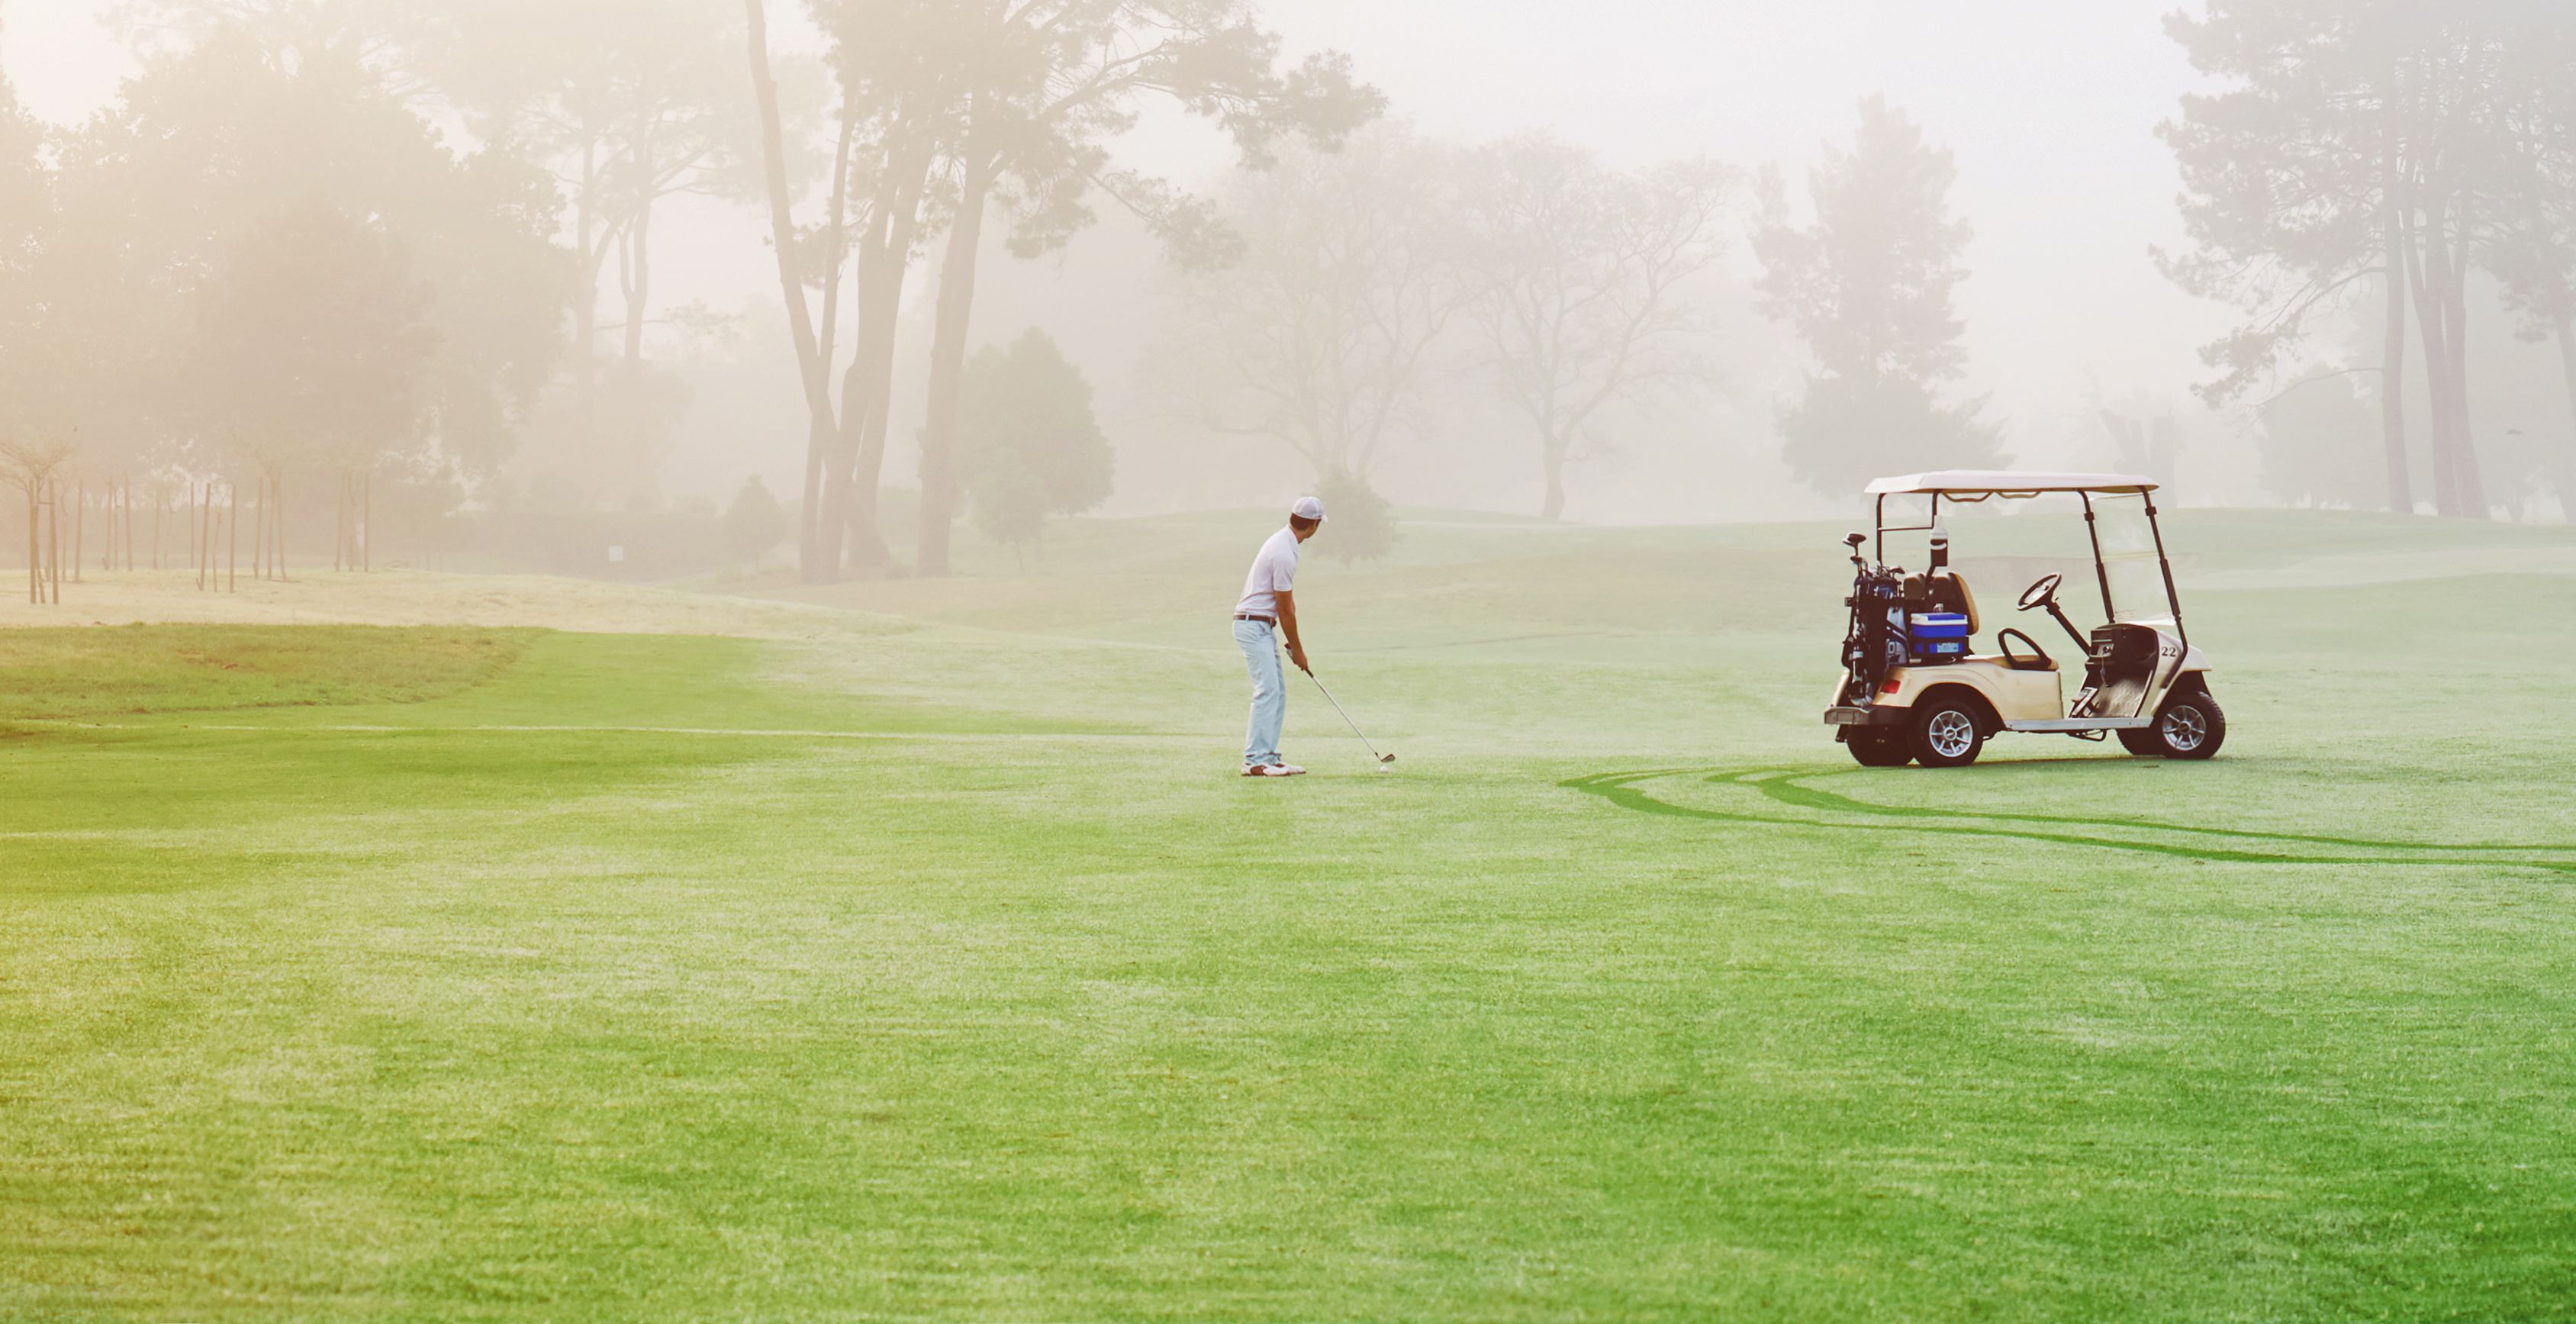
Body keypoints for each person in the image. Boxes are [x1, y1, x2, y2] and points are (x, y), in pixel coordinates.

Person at [1233, 496, 1324, 775]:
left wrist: (1295, 646)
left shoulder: (1285, 543)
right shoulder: (1284, 552)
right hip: (1252, 625)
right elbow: (1285, 611)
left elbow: (1287, 602)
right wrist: (1298, 649)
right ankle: (1254, 761)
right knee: (1268, 690)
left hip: (1261, 625)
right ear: (1314, 525)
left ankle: (1270, 756)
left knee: (1278, 691)